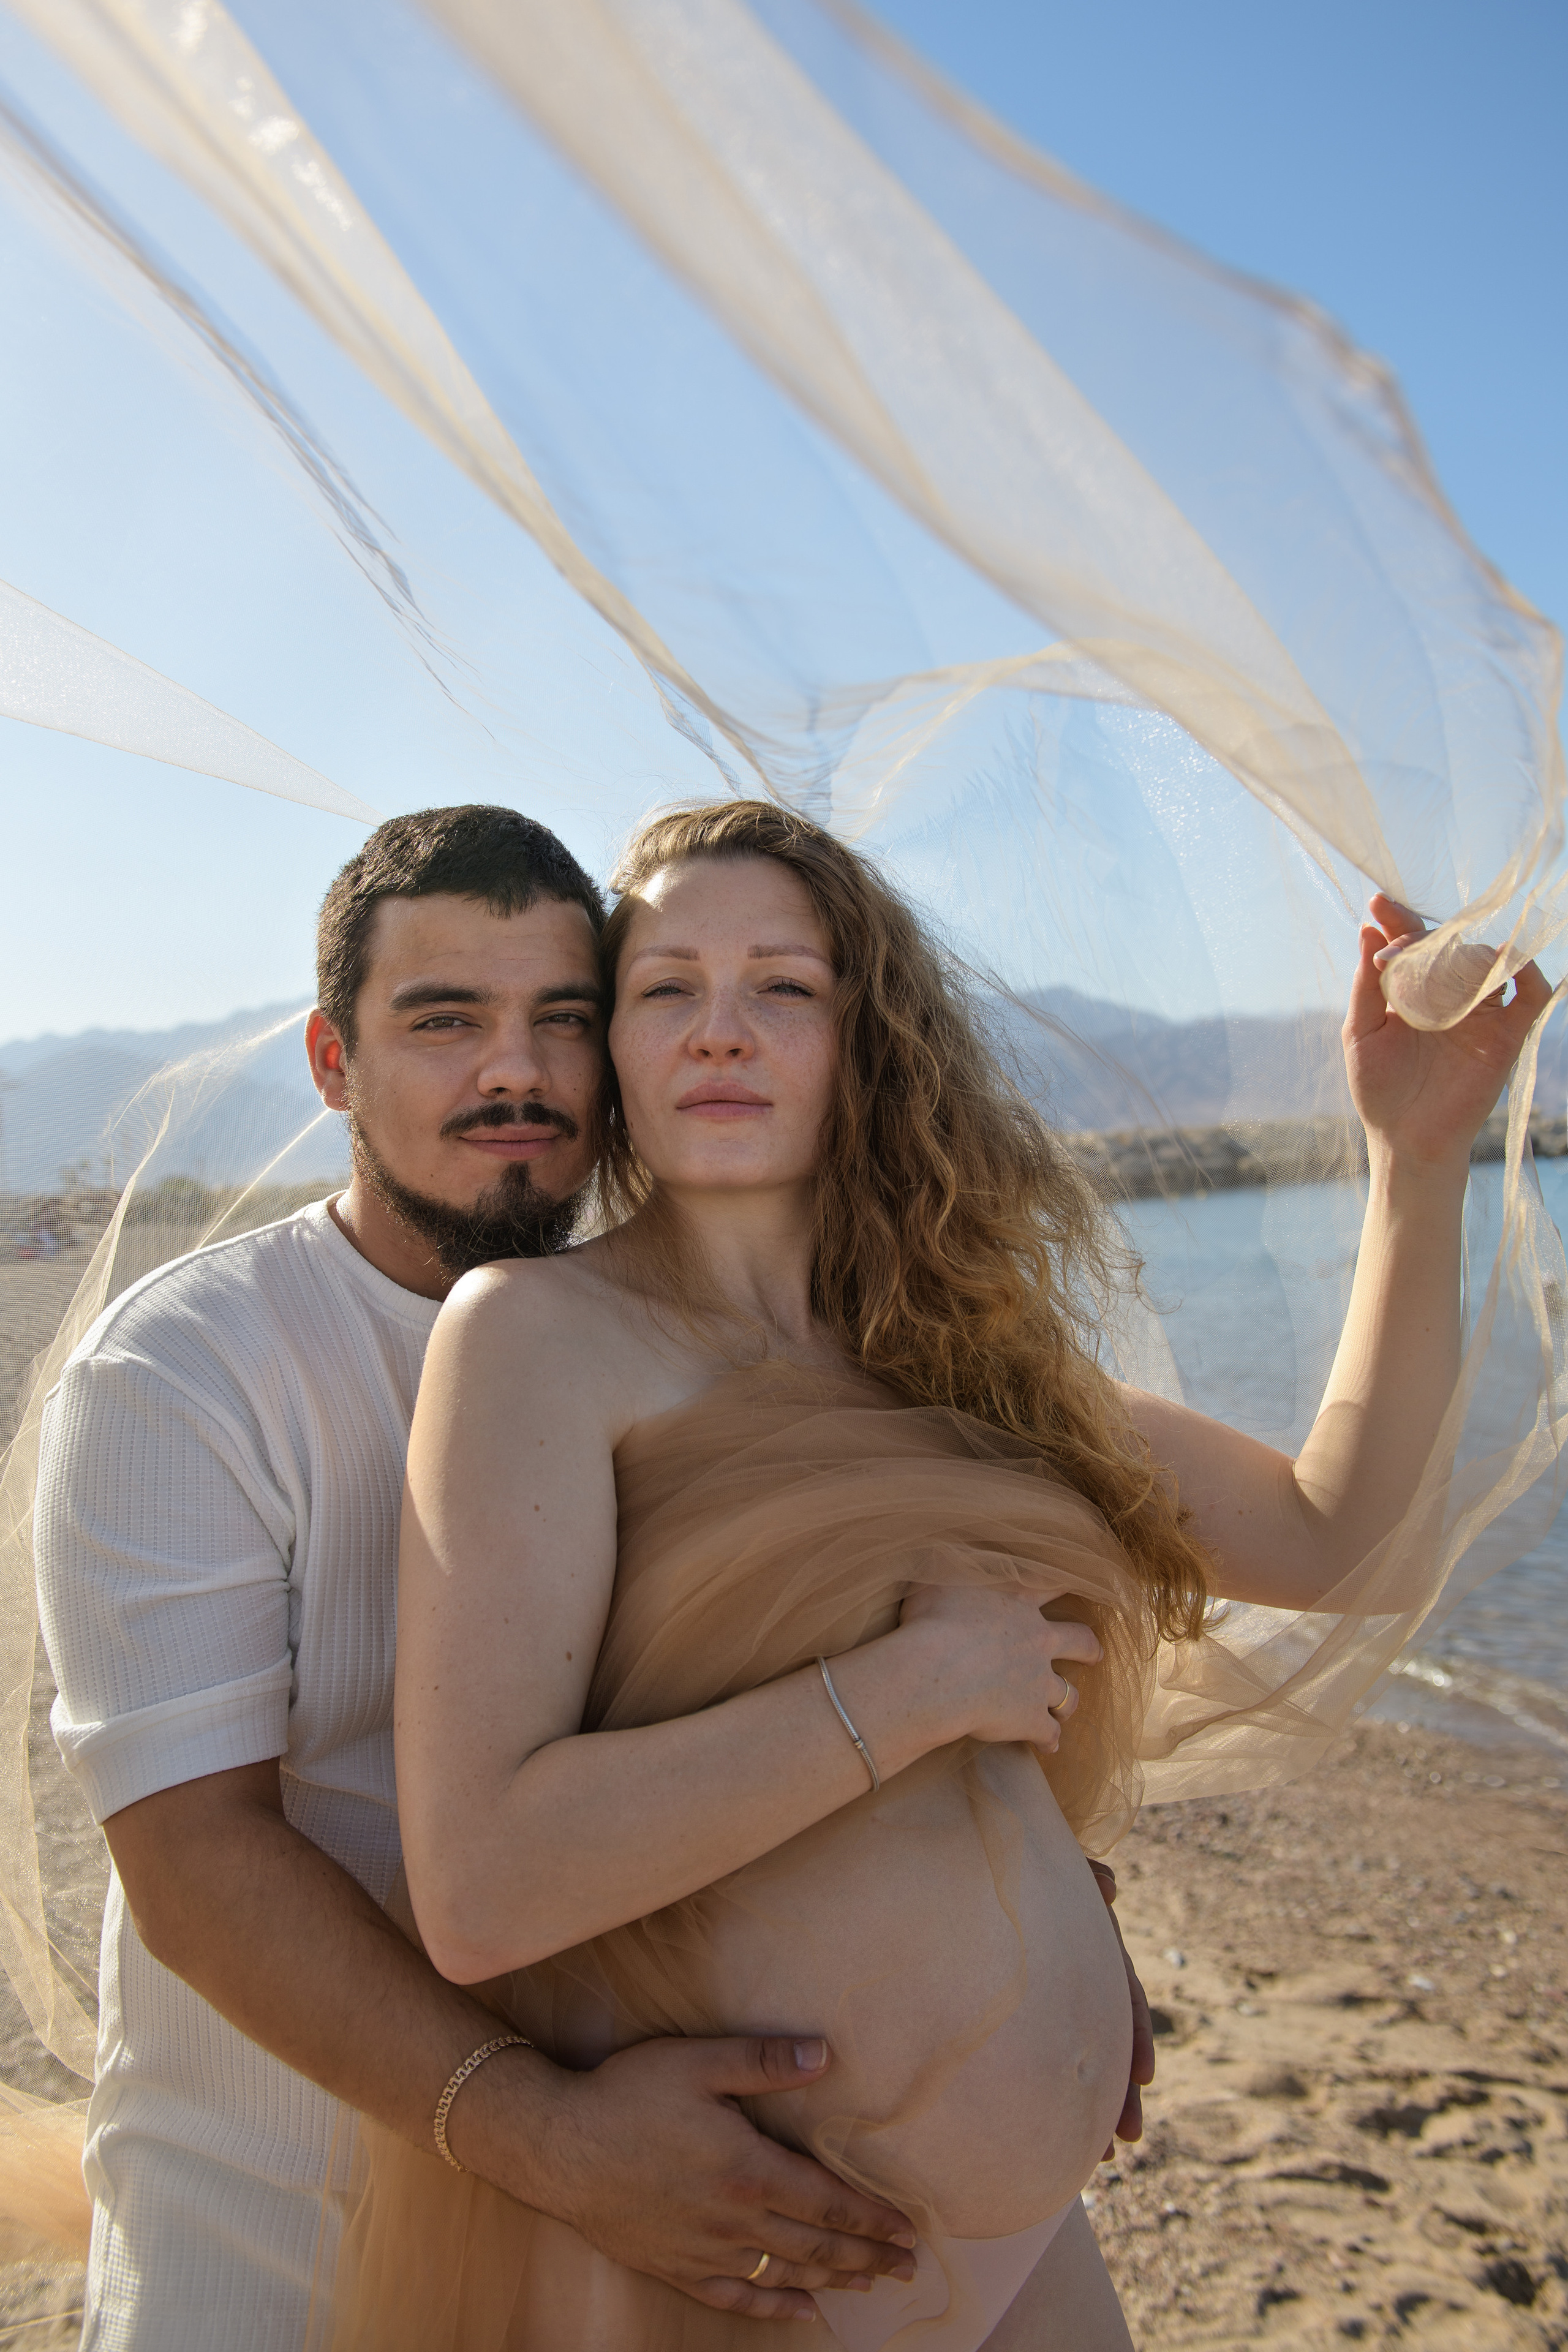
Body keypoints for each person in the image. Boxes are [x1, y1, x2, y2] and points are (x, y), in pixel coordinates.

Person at [326, 797, 1550, 2351]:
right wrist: (906, 1691)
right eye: (665, 989)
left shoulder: (962, 1362)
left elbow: (1343, 1542)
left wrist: (1413, 1159)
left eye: (783, 985)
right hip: (741, 2250)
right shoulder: (534, 1337)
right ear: (611, 1057)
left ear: (866, 1040)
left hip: (1024, 2239)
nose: (720, 1030)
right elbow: (485, 1886)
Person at [32, 802, 1143, 2352]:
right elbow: (199, 1873)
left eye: (562, 1017)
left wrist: (1007, 1905)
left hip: (663, 2190)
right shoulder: (180, 1376)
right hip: (274, 2204)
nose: (517, 1072)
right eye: (444, 1022)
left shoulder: (679, 1326)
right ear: (331, 1064)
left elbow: (741, 1697)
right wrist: (541, 2133)